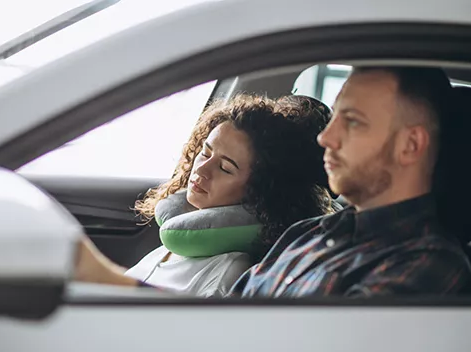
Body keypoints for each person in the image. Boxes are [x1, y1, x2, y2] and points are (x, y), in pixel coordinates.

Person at [76, 66, 471, 297]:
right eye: (334, 119)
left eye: (352, 122)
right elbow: (217, 334)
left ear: (409, 145)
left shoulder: (427, 265)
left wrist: (112, 284)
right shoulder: (309, 235)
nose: (325, 138)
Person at [120, 94, 337, 296]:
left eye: (225, 168)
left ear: (258, 191)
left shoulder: (225, 274)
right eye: (205, 153)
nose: (202, 170)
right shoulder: (175, 244)